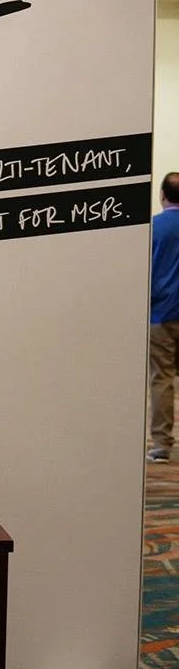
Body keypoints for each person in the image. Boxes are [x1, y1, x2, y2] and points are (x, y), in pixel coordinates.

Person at [148, 171, 179, 463]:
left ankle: (161, 445)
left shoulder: (153, 228)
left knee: (162, 379)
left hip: (161, 314)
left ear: (162, 195)